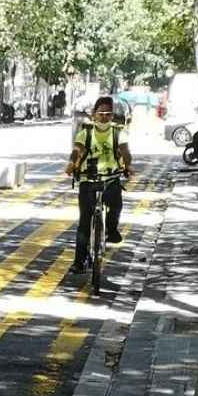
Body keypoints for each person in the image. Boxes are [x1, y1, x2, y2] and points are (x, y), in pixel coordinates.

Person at [65, 95, 132, 272]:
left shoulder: (118, 133)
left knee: (116, 205)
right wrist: (72, 165)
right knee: (84, 222)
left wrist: (128, 165)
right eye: (100, 113)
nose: (104, 117)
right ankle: (79, 262)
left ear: (112, 116)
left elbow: (125, 151)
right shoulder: (85, 133)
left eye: (108, 114)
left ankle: (111, 229)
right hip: (88, 180)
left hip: (110, 179)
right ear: (94, 114)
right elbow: (77, 150)